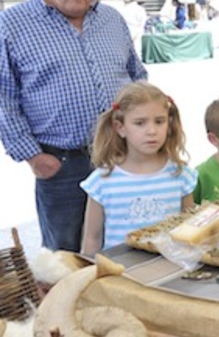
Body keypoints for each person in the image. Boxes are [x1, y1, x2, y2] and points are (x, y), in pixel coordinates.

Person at [0, 0, 147, 251]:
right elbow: (4, 98)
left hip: (122, 158)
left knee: (127, 251)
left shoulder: (112, 20)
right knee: (65, 260)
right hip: (62, 165)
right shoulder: (12, 25)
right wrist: (33, 157)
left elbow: (138, 78)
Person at [80, 82, 196, 255]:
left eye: (159, 121)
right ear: (121, 128)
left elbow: (191, 230)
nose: (151, 131)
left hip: (169, 271)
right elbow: (92, 239)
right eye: (140, 123)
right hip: (119, 274)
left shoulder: (180, 174)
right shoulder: (101, 181)